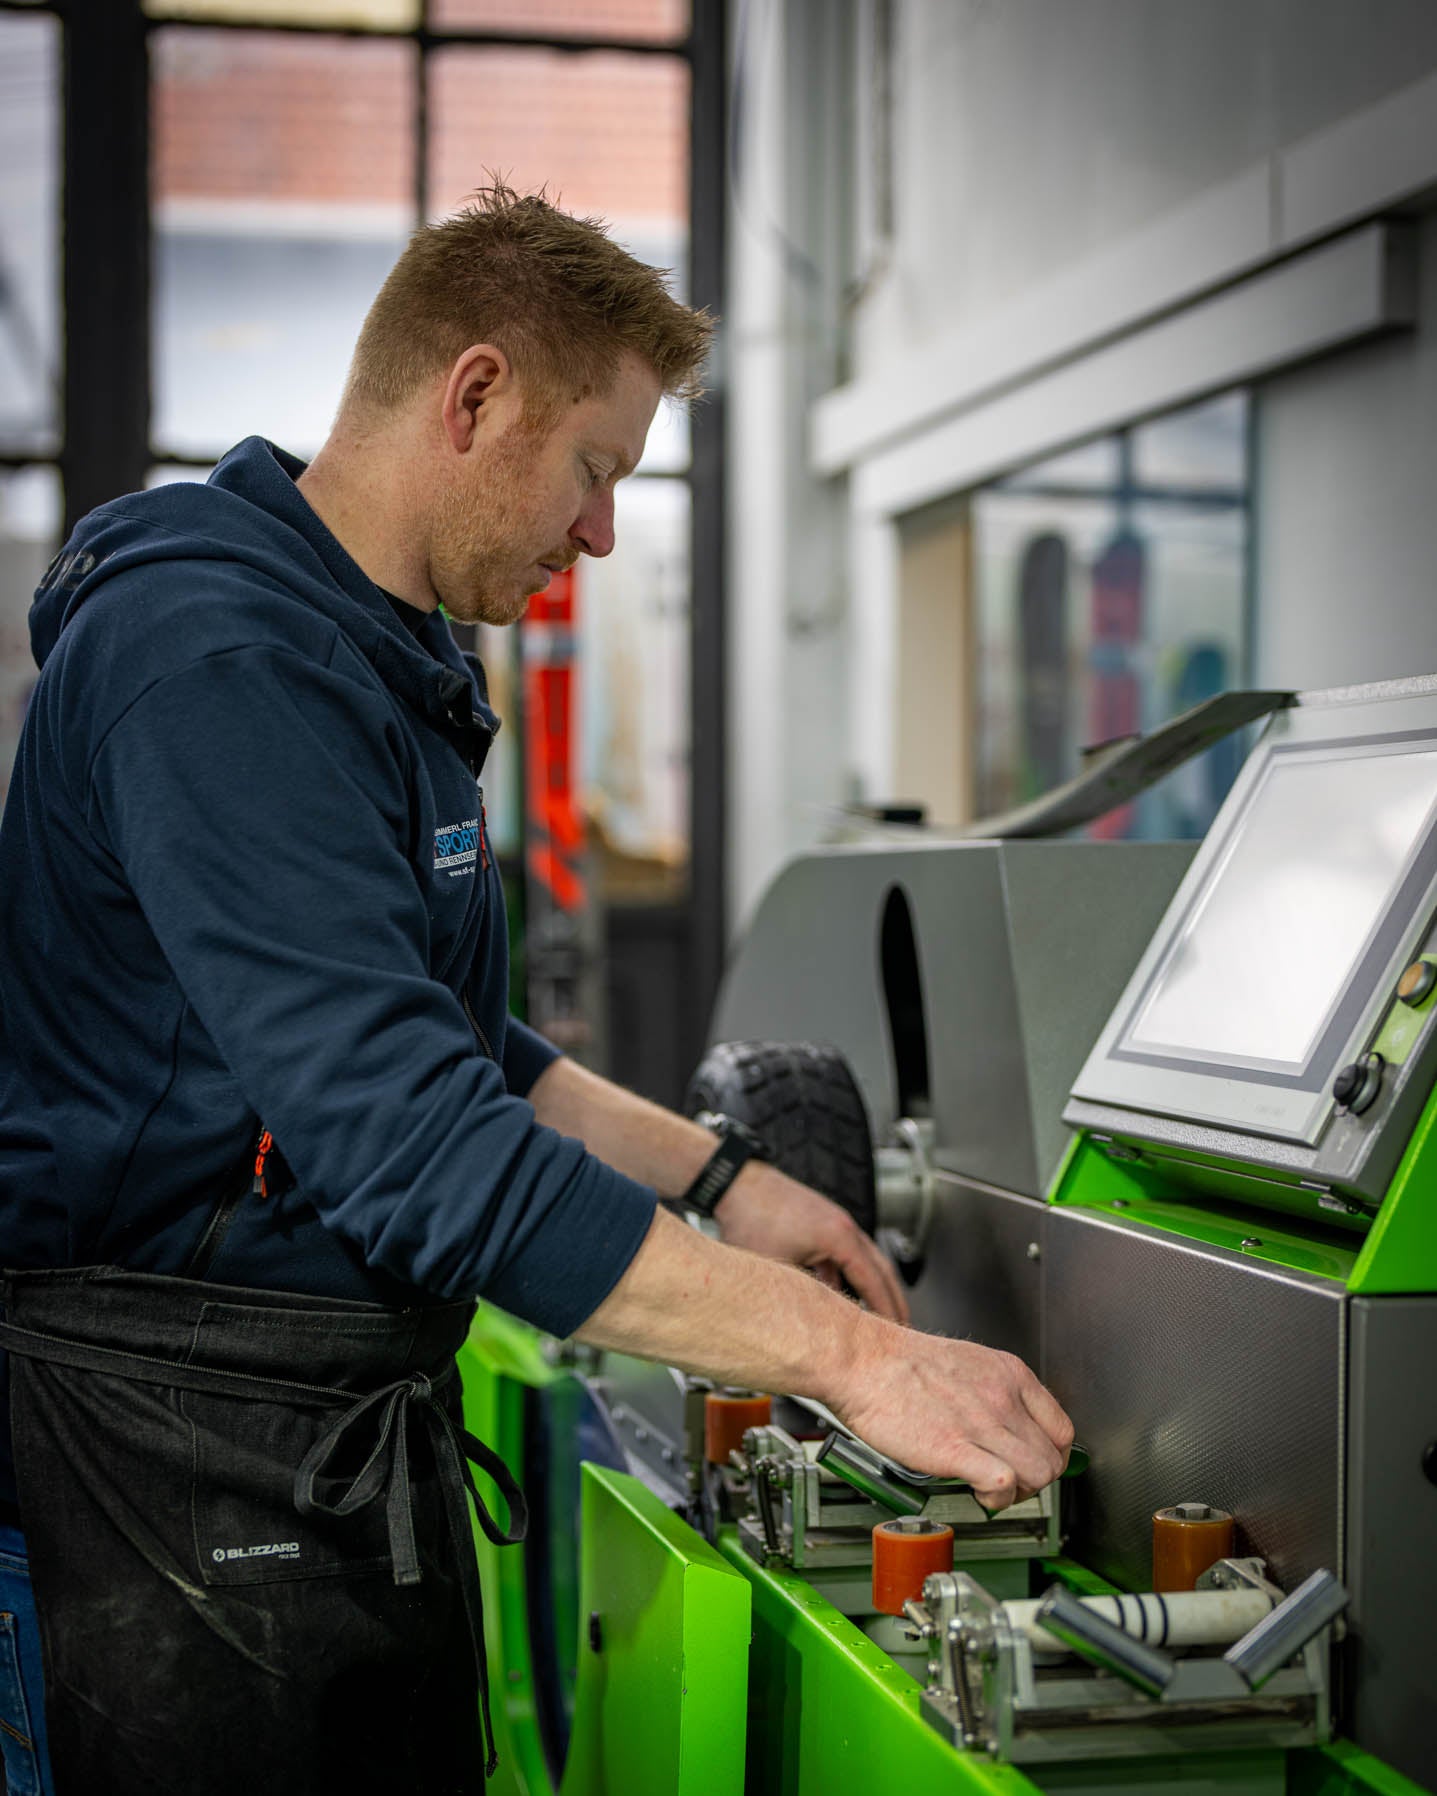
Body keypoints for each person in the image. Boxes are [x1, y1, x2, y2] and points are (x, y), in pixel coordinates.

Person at [0, 184, 1072, 1795]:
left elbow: (455, 1043)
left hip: (308, 1447)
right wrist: (857, 1362)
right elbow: (410, 1143)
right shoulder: (215, 660)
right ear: (475, 394)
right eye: (595, 470)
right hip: (153, 1474)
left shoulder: (382, 654)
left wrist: (730, 1181)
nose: (602, 532)